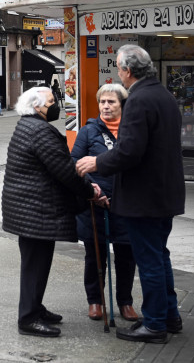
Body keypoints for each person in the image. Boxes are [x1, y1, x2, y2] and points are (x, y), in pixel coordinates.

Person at [76, 45, 184, 344]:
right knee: (160, 257)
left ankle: (155, 324)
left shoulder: (138, 100)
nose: (119, 75)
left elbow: (130, 151)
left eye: (120, 70)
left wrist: (97, 162)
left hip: (144, 197)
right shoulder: (164, 96)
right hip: (165, 194)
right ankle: (170, 316)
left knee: (149, 260)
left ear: (127, 70)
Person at [2, 86, 106, 338]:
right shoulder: (40, 131)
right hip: (34, 209)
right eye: (51, 101)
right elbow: (65, 171)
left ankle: (35, 307)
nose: (55, 104)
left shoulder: (28, 125)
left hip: (30, 208)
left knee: (38, 261)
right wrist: (89, 192)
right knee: (35, 264)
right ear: (37, 107)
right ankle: (28, 318)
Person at [72, 83, 138, 323]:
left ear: (122, 105)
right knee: (96, 256)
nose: (106, 106)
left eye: (112, 102)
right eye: (103, 102)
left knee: (126, 255)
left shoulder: (132, 131)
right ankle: (95, 301)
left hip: (127, 203)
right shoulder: (88, 131)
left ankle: (125, 302)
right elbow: (74, 162)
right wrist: (92, 189)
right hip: (94, 204)